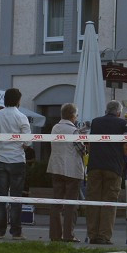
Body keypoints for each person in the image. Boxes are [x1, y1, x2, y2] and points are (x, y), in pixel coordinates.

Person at [86, 100, 127, 244]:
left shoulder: (95, 122)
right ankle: (104, 236)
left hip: (94, 166)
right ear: (118, 112)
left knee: (93, 200)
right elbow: (126, 145)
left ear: (106, 110)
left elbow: (90, 144)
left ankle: (92, 234)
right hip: (113, 167)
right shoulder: (122, 123)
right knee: (109, 201)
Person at [0, 89, 32, 240]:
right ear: (18, 100)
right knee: (16, 198)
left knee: (1, 197)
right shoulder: (21, 117)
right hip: (16, 160)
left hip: (0, 158)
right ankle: (16, 232)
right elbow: (28, 141)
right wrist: (21, 145)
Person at [47, 103, 85, 242]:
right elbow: (81, 150)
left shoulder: (55, 128)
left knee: (56, 202)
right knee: (70, 204)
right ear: (73, 115)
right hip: (71, 170)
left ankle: (55, 235)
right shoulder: (74, 131)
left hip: (56, 167)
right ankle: (68, 234)